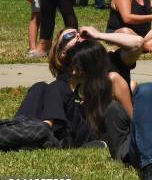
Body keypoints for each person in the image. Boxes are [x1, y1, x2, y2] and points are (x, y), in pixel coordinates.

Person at [15, 26, 143, 147]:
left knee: (56, 86)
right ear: (62, 53)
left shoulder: (109, 64)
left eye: (80, 33)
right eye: (69, 36)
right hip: (71, 128)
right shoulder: (68, 78)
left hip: (95, 132)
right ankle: (19, 130)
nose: (77, 35)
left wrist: (98, 35)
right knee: (40, 87)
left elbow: (137, 43)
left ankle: (41, 132)